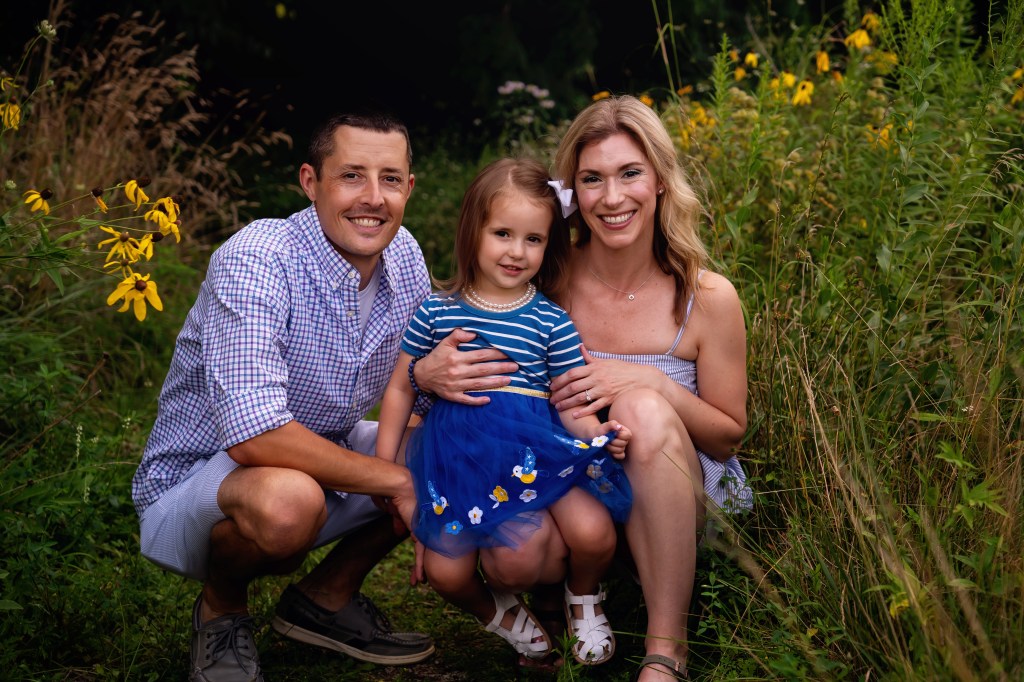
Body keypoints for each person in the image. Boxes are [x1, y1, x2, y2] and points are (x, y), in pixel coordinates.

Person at [413, 95, 752, 680]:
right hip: (570, 489)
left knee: (642, 408)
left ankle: (666, 649)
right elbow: (475, 357)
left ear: (661, 180)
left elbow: (727, 438)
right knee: (516, 550)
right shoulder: (545, 277)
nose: (612, 197)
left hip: (672, 494)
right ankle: (553, 601)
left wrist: (651, 381)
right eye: (592, 179)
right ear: (571, 193)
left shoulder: (707, 296)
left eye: (630, 173)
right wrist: (424, 376)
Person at [133, 110, 447, 681]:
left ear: (409, 187)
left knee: (447, 450)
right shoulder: (258, 258)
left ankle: (324, 599)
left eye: (390, 179)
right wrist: (399, 482)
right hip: (202, 479)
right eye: (351, 175)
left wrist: (441, 393)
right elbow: (254, 436)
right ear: (310, 181)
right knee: (289, 502)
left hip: (323, 451)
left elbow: (418, 389)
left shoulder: (404, 256)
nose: (373, 198)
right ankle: (222, 610)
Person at [375, 157, 633, 666]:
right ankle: (501, 614)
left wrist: (598, 433)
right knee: (447, 574)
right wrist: (384, 471)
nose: (517, 251)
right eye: (502, 234)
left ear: (547, 245)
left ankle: (583, 597)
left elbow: (570, 401)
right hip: (461, 462)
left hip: (536, 456)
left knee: (594, 533)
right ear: (473, 230)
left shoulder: (551, 321)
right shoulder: (436, 310)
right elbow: (401, 389)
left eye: (533, 239)